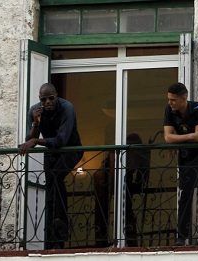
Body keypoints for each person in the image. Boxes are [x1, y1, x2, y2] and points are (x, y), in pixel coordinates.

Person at [19, 83, 83, 249]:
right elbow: (29, 139)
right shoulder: (35, 110)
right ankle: (54, 231)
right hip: (51, 153)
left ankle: (59, 229)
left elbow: (61, 140)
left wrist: (35, 141)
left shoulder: (67, 108)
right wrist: (35, 123)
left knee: (55, 176)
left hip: (71, 150)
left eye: (50, 98)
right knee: (52, 186)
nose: (47, 102)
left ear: (56, 95)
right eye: (43, 99)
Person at [163, 83, 198, 246]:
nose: (170, 103)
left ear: (184, 99)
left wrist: (181, 137)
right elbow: (168, 137)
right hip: (187, 156)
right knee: (185, 195)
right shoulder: (169, 110)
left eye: (173, 100)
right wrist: (190, 136)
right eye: (169, 99)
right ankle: (182, 236)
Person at [93, 133, 150, 248]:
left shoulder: (135, 153)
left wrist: (138, 184)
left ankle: (123, 240)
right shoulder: (121, 154)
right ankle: (104, 241)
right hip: (107, 179)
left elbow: (142, 174)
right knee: (120, 211)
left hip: (120, 179)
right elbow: (141, 174)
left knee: (125, 211)